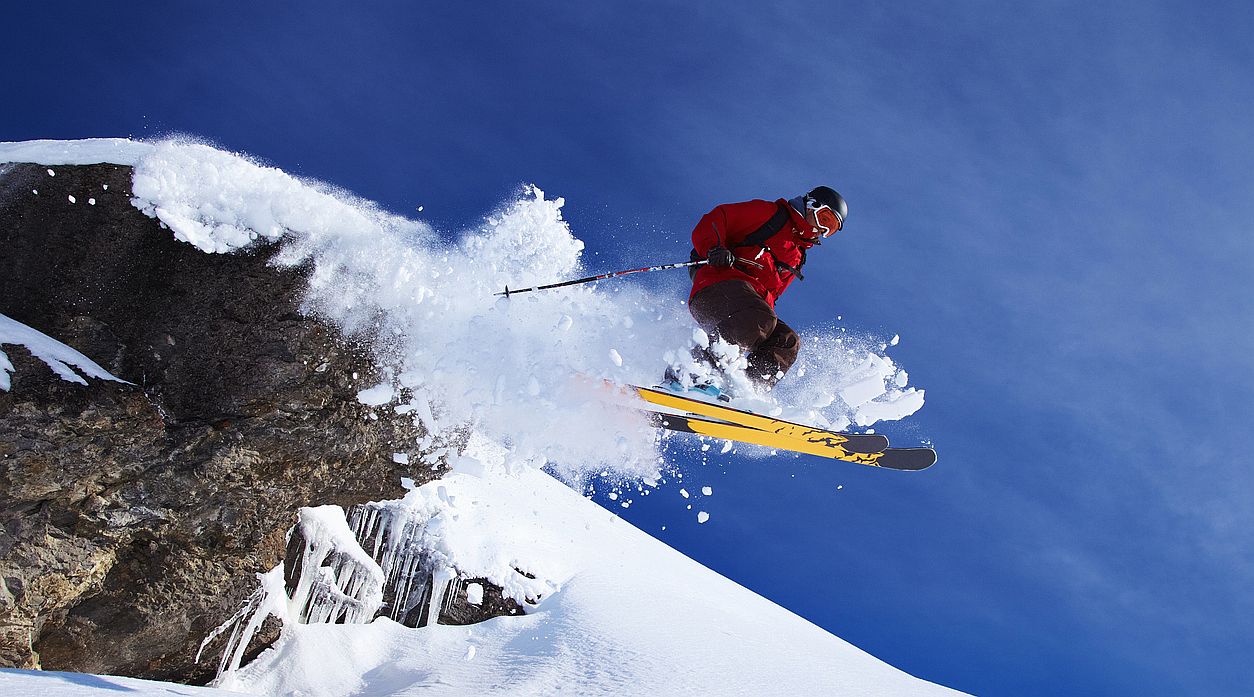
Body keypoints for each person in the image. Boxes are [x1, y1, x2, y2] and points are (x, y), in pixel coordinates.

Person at [665, 186, 847, 397]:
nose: (821, 231)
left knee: (787, 341)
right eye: (824, 219)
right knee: (761, 317)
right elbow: (717, 218)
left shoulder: (797, 256)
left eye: (830, 230)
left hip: (748, 310)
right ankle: (689, 373)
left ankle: (743, 391)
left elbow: (771, 297)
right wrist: (714, 247)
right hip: (716, 286)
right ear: (811, 205)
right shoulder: (772, 215)